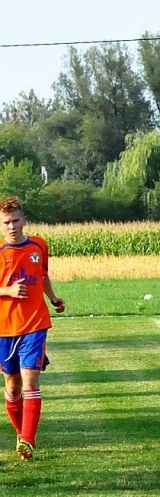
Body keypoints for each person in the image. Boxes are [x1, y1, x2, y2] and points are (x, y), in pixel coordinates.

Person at [0, 197, 67, 460]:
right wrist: (8, 290)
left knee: (30, 381)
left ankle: (28, 439)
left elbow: (42, 274)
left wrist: (52, 297)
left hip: (35, 324)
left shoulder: (39, 244)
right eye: (7, 222)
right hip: (4, 329)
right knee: (13, 386)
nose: (12, 226)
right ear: (1, 225)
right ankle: (21, 435)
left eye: (16, 220)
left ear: (24, 220)